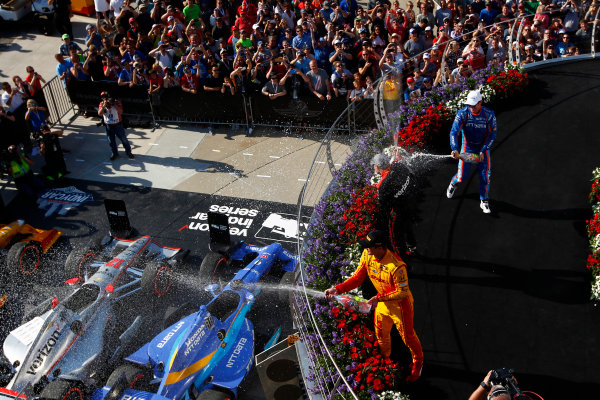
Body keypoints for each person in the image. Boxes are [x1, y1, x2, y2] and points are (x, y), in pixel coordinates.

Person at [325, 230, 424, 382]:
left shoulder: (397, 267)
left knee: (408, 339)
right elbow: (357, 277)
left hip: (400, 308)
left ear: (380, 247)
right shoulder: (367, 254)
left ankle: (417, 368)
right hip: (382, 304)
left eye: (369, 246)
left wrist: (379, 298)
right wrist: (337, 289)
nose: (366, 248)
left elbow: (402, 292)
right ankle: (386, 362)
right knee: (381, 335)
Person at [446, 90, 497, 214]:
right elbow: (454, 132)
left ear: (480, 103)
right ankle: (453, 183)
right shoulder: (462, 113)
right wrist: (454, 148)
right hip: (467, 148)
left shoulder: (489, 114)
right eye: (469, 105)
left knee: (485, 176)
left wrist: (484, 149)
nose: (471, 107)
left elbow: (493, 134)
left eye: (473, 105)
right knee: (462, 176)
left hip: (482, 149)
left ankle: (484, 200)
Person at [372, 153, 418, 256]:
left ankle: (399, 258)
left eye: (374, 165)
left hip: (397, 212)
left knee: (395, 237)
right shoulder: (399, 166)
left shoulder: (382, 186)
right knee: (408, 227)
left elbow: (383, 206)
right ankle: (412, 246)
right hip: (409, 203)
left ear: (377, 167)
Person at [25, 99, 68, 180]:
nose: (32, 106)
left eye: (33, 104)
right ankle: (44, 152)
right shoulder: (29, 112)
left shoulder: (39, 109)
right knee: (43, 142)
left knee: (51, 138)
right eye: (30, 105)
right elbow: (26, 118)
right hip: (38, 129)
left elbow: (45, 109)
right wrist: (29, 110)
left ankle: (53, 151)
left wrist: (38, 108)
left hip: (44, 126)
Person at [97, 92, 134, 160]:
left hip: (118, 125)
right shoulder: (102, 104)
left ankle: (128, 152)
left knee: (124, 139)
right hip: (109, 126)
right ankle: (114, 153)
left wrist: (113, 104)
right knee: (111, 141)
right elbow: (99, 113)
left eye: (105, 97)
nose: (104, 98)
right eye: (103, 97)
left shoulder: (117, 102)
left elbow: (120, 111)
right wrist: (104, 105)